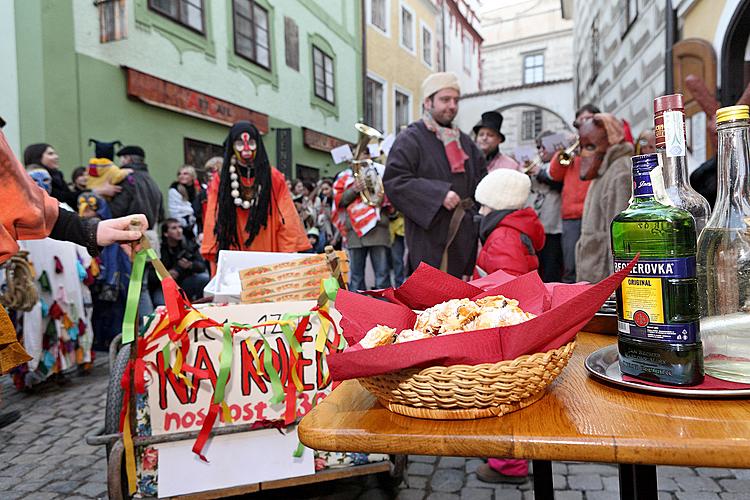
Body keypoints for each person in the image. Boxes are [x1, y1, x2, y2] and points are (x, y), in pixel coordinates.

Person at [383, 72, 486, 278]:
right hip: (429, 237)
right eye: (445, 99)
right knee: (430, 298)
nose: (452, 106)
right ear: (428, 102)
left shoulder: (465, 142)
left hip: (464, 233)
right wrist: (439, 195)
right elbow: (395, 180)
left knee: (462, 299)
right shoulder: (410, 138)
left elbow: (481, 179)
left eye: (455, 100)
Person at [201, 121, 310, 271]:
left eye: (251, 142)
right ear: (232, 146)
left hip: (266, 250)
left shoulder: (273, 177)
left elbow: (287, 218)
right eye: (240, 143)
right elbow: (213, 218)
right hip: (234, 249)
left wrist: (289, 252)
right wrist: (213, 250)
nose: (246, 149)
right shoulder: (221, 180)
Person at [576, 113, 634, 283]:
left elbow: (621, 240)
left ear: (610, 142)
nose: (583, 154)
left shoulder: (620, 172)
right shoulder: (603, 171)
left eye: (590, 147)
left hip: (603, 281)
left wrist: (616, 287)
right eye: (582, 147)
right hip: (594, 275)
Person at [549, 104, 599, 283]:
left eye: (589, 119)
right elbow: (555, 173)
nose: (585, 123)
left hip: (593, 213)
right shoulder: (572, 149)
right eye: (581, 120)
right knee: (570, 266)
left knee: (592, 263)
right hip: (571, 216)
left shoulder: (599, 145)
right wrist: (564, 150)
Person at [473, 169, 545, 278]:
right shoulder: (507, 234)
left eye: (484, 205)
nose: (480, 211)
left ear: (497, 206)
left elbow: (509, 288)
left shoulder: (504, 239)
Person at [333, 163, 392, 291]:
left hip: (378, 229)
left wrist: (375, 186)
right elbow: (339, 202)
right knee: (356, 276)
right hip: (355, 232)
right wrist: (354, 189)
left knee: (382, 275)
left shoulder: (380, 171)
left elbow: (388, 199)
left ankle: (383, 307)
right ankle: (356, 308)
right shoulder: (345, 176)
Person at [23, 143, 121, 206]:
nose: (56, 157)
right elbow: (63, 198)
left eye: (55, 153)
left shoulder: (57, 176)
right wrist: (97, 191)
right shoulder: (33, 177)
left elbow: (69, 197)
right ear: (37, 156)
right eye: (50, 154)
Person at [110, 145, 164, 250]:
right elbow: (161, 215)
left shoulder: (127, 179)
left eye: (121, 159)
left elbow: (116, 210)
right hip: (150, 239)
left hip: (128, 240)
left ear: (127, 159)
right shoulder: (153, 182)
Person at [530, 131, 564, 282]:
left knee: (551, 264)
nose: (540, 151)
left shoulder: (561, 161)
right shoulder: (537, 163)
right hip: (537, 219)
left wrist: (540, 173)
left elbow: (560, 183)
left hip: (553, 221)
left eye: (543, 147)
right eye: (538, 147)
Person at [159, 219, 209, 301]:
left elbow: (202, 266)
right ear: (166, 233)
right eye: (174, 228)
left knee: (204, 278)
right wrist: (166, 275)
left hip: (184, 282)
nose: (179, 231)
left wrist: (190, 265)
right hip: (165, 286)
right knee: (161, 304)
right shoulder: (161, 249)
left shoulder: (189, 245)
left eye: (180, 227)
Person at [168, 165, 200, 239]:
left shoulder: (199, 188)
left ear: (192, 176)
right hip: (183, 227)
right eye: (179, 174)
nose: (181, 176)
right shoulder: (174, 190)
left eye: (185, 174)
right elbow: (175, 210)